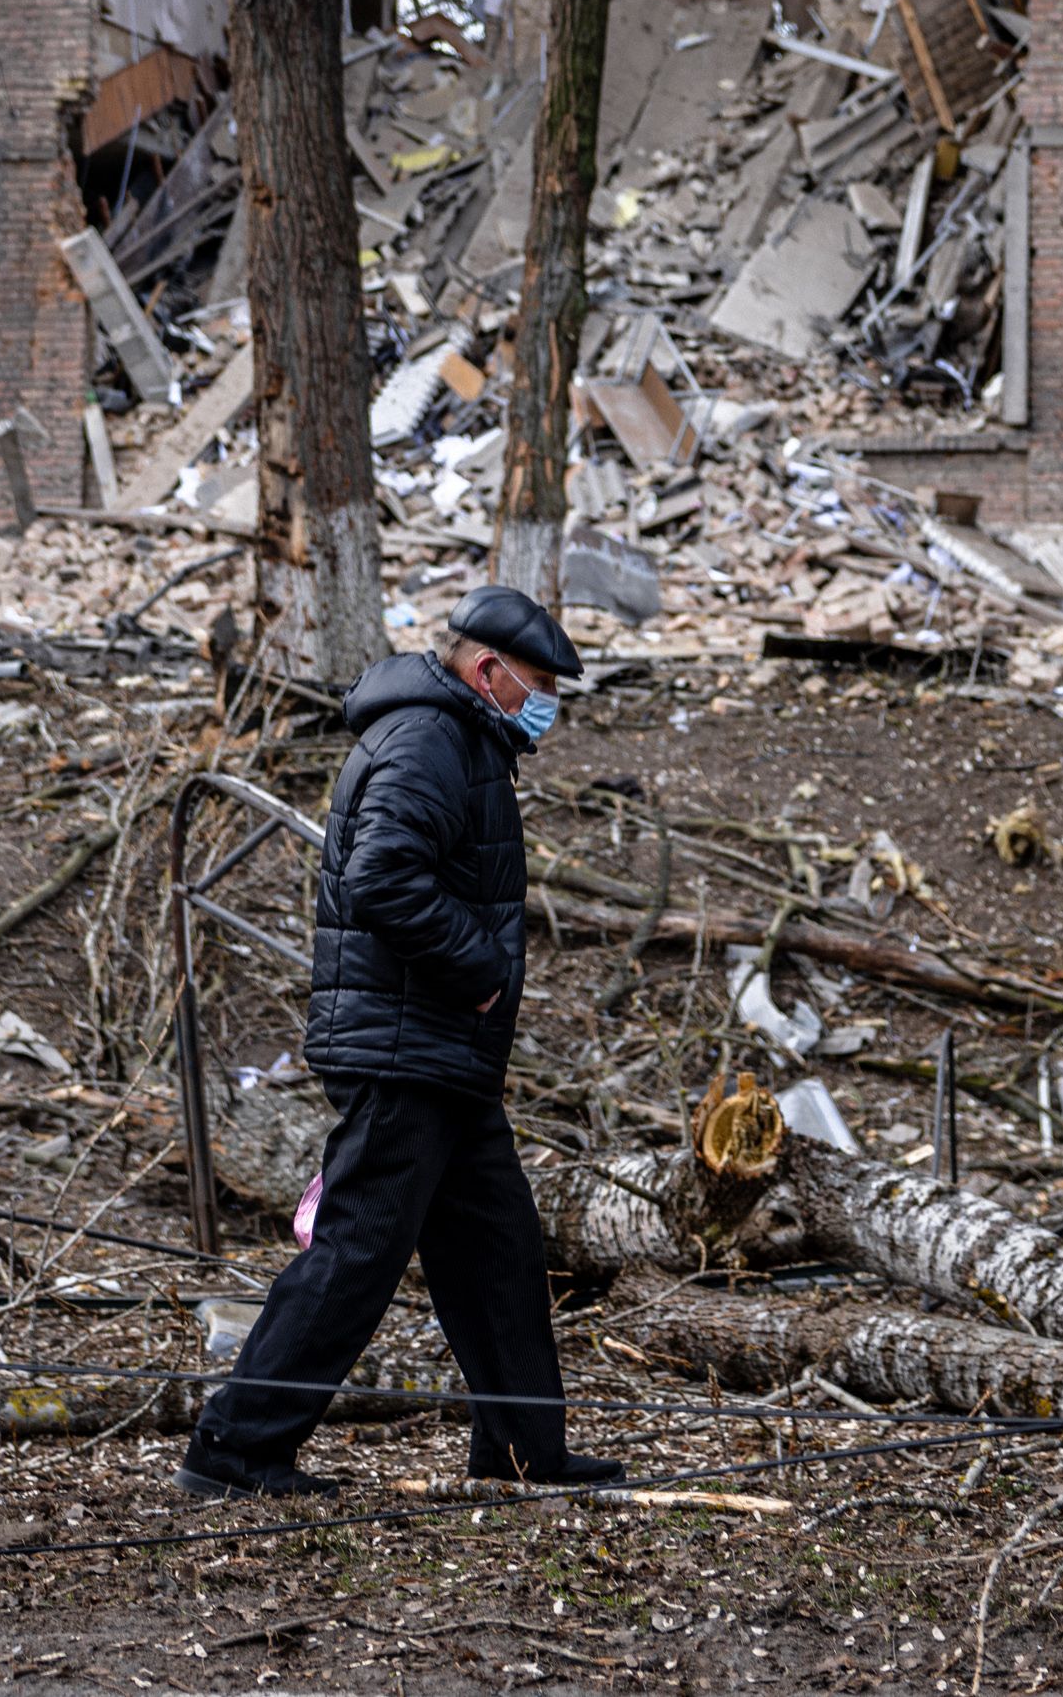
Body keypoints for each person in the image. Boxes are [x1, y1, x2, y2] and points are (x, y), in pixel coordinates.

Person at [176, 583, 626, 1500]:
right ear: (488, 670)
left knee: (498, 1248)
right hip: (404, 1044)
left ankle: (521, 1453)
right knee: (357, 1248)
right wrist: (482, 970)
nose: (547, 705)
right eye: (538, 684)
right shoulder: (428, 740)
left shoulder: (465, 740)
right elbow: (382, 877)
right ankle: (234, 1447)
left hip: (442, 1050)